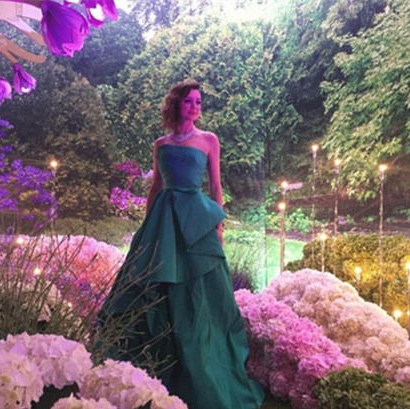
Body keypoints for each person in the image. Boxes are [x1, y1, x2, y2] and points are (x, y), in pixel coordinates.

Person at [98, 80, 264, 409]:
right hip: (163, 220)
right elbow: (156, 186)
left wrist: (218, 225)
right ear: (176, 104)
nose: (195, 107)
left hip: (195, 217)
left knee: (200, 287)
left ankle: (200, 354)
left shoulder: (209, 140)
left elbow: (215, 186)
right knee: (154, 285)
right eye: (189, 101)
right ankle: (151, 363)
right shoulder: (160, 144)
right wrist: (148, 226)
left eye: (199, 102)